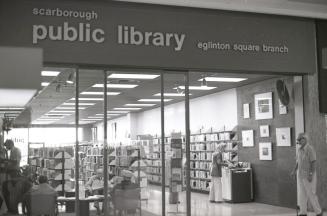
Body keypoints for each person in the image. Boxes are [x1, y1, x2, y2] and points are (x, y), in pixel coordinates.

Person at [291, 133, 323, 216]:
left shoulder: (310, 149)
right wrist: (294, 171)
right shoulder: (299, 149)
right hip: (300, 175)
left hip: (308, 175)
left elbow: (313, 162)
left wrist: (311, 174)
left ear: (304, 139)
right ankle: (303, 212)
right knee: (302, 194)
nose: (298, 142)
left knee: (311, 194)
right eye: (297, 140)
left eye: (299, 140)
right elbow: (298, 162)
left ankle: (318, 212)